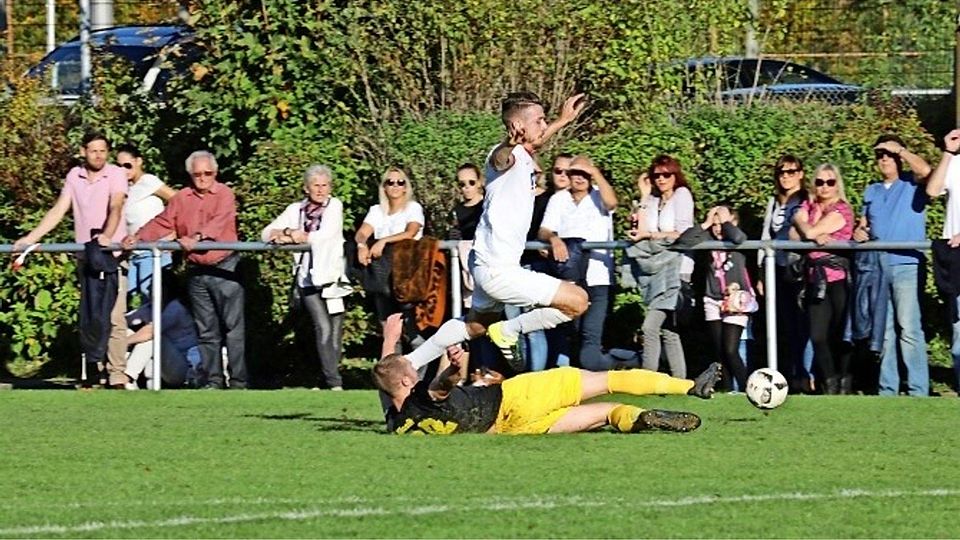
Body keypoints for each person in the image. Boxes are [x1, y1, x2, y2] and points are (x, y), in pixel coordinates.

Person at [394, 91, 589, 376]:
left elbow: (536, 142)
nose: (544, 126)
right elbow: (500, 158)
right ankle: (510, 330)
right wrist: (508, 144)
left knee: (474, 326)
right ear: (519, 127)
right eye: (539, 120)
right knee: (578, 301)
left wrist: (562, 120)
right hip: (498, 270)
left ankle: (410, 362)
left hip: (487, 265)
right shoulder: (505, 156)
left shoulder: (523, 153)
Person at [373, 348, 721, 434]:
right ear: (406, 382)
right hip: (513, 397)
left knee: (604, 414)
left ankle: (642, 419)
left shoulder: (397, 422)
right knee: (604, 380)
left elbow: (387, 386)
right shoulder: (422, 395)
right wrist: (453, 367)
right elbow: (442, 386)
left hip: (508, 430)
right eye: (412, 371)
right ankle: (691, 386)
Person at [14, 132, 130, 389]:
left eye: (103, 150)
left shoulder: (116, 174)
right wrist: (30, 239)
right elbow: (59, 209)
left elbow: (116, 205)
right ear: (83, 151)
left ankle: (117, 374)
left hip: (111, 256)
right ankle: (92, 370)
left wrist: (107, 235)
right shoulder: (74, 176)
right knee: (90, 315)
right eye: (94, 150)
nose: (99, 155)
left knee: (114, 315)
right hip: (86, 257)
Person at [123, 150, 247, 390]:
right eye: (198, 174)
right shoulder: (181, 198)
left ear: (215, 172)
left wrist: (197, 237)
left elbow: (220, 221)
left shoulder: (224, 194)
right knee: (206, 330)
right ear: (190, 174)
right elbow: (162, 222)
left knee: (233, 329)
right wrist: (136, 237)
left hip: (226, 267)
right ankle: (213, 381)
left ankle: (239, 382)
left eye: (208, 173)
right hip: (197, 271)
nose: (203, 178)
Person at [853, 135, 931, 396]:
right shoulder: (872, 190)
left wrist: (902, 150)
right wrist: (859, 233)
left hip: (907, 264)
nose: (884, 158)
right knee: (883, 332)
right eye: (879, 154)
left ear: (898, 156)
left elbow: (926, 171)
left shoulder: (911, 183)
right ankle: (888, 390)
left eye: (888, 153)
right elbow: (862, 224)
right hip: (877, 266)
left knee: (909, 328)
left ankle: (918, 390)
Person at [262, 165, 350, 390]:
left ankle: (327, 376)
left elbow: (326, 235)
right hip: (307, 278)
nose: (320, 190)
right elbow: (267, 232)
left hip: (332, 277)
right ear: (306, 188)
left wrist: (296, 236)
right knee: (322, 326)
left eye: (324, 185)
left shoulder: (335, 206)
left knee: (335, 329)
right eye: (315, 186)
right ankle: (334, 382)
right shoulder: (295, 210)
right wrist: (286, 234)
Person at [539, 155, 617, 370]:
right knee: (569, 334)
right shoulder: (559, 199)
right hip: (569, 278)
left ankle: (624, 362)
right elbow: (544, 229)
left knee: (589, 339)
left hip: (597, 276)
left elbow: (612, 203)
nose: (579, 178)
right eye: (575, 173)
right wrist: (554, 240)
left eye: (584, 174)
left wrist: (594, 172)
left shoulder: (599, 196)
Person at [790, 163, 855, 395]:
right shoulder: (809, 207)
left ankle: (845, 381)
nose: (824, 187)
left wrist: (804, 222)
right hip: (814, 279)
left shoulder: (842, 210)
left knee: (840, 336)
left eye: (830, 182)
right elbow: (795, 236)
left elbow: (807, 233)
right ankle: (830, 383)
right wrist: (804, 223)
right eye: (819, 182)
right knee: (818, 336)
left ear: (837, 184)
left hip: (837, 278)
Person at [629, 155, 696, 378]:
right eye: (656, 175)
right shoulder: (655, 200)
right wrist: (644, 195)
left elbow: (683, 234)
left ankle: (647, 380)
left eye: (666, 174)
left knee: (649, 328)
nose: (661, 179)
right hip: (656, 271)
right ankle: (681, 383)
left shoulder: (682, 195)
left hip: (676, 270)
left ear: (675, 175)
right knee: (669, 330)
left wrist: (650, 235)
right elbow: (641, 228)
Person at [760, 154, 814, 393]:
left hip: (799, 269)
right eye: (782, 172)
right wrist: (762, 273)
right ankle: (788, 377)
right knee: (784, 326)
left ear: (801, 174)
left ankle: (807, 377)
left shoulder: (807, 199)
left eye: (791, 171)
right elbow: (766, 237)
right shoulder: (774, 202)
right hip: (776, 268)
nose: (786, 176)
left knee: (804, 326)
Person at [354, 167, 425, 329]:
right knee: (387, 326)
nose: (395, 186)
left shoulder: (413, 207)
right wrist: (361, 245)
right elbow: (362, 232)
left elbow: (411, 232)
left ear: (406, 187)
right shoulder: (377, 210)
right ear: (384, 187)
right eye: (390, 182)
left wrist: (383, 241)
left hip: (406, 274)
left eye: (400, 182)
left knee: (411, 325)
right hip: (382, 274)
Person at [700, 205, 756, 391]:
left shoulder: (736, 240)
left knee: (731, 349)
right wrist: (707, 222)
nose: (718, 228)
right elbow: (686, 239)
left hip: (736, 301)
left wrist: (725, 223)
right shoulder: (707, 240)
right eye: (715, 225)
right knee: (720, 352)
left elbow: (739, 238)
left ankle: (748, 388)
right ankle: (726, 390)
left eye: (722, 223)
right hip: (712, 300)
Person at [924, 128, 960, 391]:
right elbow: (933, 190)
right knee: (958, 329)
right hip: (955, 256)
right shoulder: (955, 164)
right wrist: (947, 151)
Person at [117, 143, 176, 302]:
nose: (124, 170)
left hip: (153, 249)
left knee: (153, 296)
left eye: (128, 165)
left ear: (139, 161)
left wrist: (174, 230)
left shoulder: (148, 181)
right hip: (134, 252)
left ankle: (170, 325)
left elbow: (178, 201)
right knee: (130, 295)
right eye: (119, 166)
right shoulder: (124, 188)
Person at [124, 271, 201, 388]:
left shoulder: (175, 307)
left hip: (184, 368)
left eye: (152, 285)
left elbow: (150, 332)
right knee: (123, 332)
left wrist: (122, 343)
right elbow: (125, 320)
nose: (148, 289)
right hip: (164, 366)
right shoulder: (151, 307)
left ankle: (127, 377)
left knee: (155, 338)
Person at [450, 163, 485, 241]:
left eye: (471, 182)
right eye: (462, 184)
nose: (467, 187)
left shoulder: (488, 206)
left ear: (479, 182)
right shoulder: (456, 211)